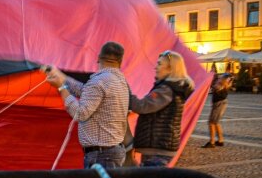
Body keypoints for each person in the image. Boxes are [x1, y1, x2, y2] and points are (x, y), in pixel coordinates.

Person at [44, 41, 130, 169]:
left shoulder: (99, 81)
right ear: (120, 61)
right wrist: (60, 76)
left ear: (98, 58)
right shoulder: (120, 81)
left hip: (101, 156)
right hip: (112, 152)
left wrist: (61, 87)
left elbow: (80, 113)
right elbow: (85, 91)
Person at [129, 50, 194, 167]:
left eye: (159, 64)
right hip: (160, 146)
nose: (156, 67)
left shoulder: (166, 90)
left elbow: (142, 106)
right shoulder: (171, 88)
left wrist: (124, 92)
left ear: (170, 69)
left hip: (158, 148)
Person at [202, 73, 232, 148]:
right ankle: (220, 140)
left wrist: (211, 80)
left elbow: (214, 87)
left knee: (211, 122)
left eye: (220, 77)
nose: (219, 78)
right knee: (216, 122)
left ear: (224, 79)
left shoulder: (221, 85)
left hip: (219, 104)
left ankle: (212, 142)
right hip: (219, 103)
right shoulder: (221, 84)